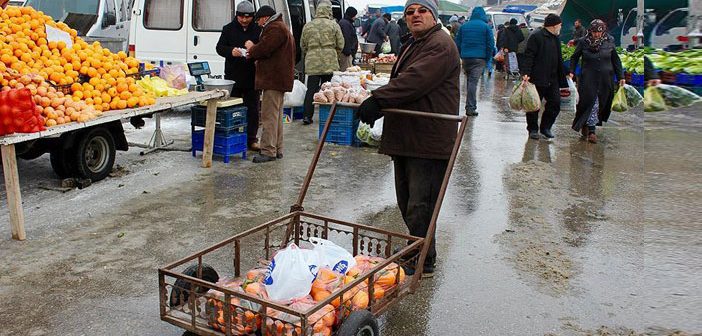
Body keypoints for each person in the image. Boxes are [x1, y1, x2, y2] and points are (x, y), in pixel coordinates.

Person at [357, 0, 460, 277]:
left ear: (433, 15)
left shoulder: (439, 43)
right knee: (408, 202)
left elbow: (416, 80)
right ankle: (420, 251)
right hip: (410, 134)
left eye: (422, 10)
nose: (415, 15)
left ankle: (422, 260)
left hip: (427, 138)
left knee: (421, 204)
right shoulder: (416, 42)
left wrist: (378, 99)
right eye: (410, 12)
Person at [245, 6, 295, 163]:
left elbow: (265, 49)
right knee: (276, 116)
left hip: (273, 80)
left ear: (265, 17)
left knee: (269, 117)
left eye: (259, 20)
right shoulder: (282, 27)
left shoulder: (275, 28)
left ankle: (268, 151)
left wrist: (251, 48)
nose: (258, 24)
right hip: (279, 80)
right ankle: (277, 149)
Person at [569, 19, 624, 144]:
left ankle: (586, 124)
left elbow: (615, 59)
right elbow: (574, 57)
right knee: (592, 103)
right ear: (590, 31)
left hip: (606, 78)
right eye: (594, 32)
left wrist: (621, 76)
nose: (597, 35)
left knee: (602, 104)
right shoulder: (583, 42)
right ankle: (592, 132)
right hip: (588, 77)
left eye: (599, 32)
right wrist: (571, 71)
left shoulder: (609, 40)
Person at [216, 1, 262, 151]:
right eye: (241, 17)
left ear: (252, 17)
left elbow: (263, 49)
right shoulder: (228, 29)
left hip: (252, 76)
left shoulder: (258, 30)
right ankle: (233, 136)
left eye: (247, 17)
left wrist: (253, 51)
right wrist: (231, 52)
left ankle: (251, 139)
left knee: (253, 109)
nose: (244, 20)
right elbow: (219, 48)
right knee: (232, 109)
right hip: (233, 76)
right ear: (237, 15)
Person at [520, 13, 568, 140]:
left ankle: (546, 127)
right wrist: (526, 74)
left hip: (553, 79)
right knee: (534, 105)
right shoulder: (536, 36)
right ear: (553, 26)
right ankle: (533, 129)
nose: (560, 27)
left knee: (555, 103)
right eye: (559, 25)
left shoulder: (555, 38)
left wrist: (565, 73)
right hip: (537, 78)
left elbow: (559, 58)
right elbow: (529, 56)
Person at [300, 0, 344, 125]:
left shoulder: (308, 26)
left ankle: (307, 116)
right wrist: (334, 53)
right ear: (329, 11)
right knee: (329, 90)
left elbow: (303, 45)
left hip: (313, 61)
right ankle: (328, 117)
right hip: (329, 61)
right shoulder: (334, 25)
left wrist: (311, 52)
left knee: (311, 89)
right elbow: (341, 44)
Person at [455, 6, 495, 116]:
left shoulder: (464, 26)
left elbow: (457, 42)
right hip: (479, 58)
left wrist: (461, 54)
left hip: (466, 58)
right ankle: (470, 107)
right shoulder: (486, 27)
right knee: (473, 82)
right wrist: (487, 58)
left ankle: (469, 104)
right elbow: (490, 44)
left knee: (470, 81)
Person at [338, 6, 358, 71]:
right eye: (355, 15)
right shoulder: (345, 24)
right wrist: (347, 52)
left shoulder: (347, 22)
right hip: (345, 53)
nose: (355, 17)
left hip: (347, 52)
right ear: (352, 15)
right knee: (346, 71)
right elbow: (346, 38)